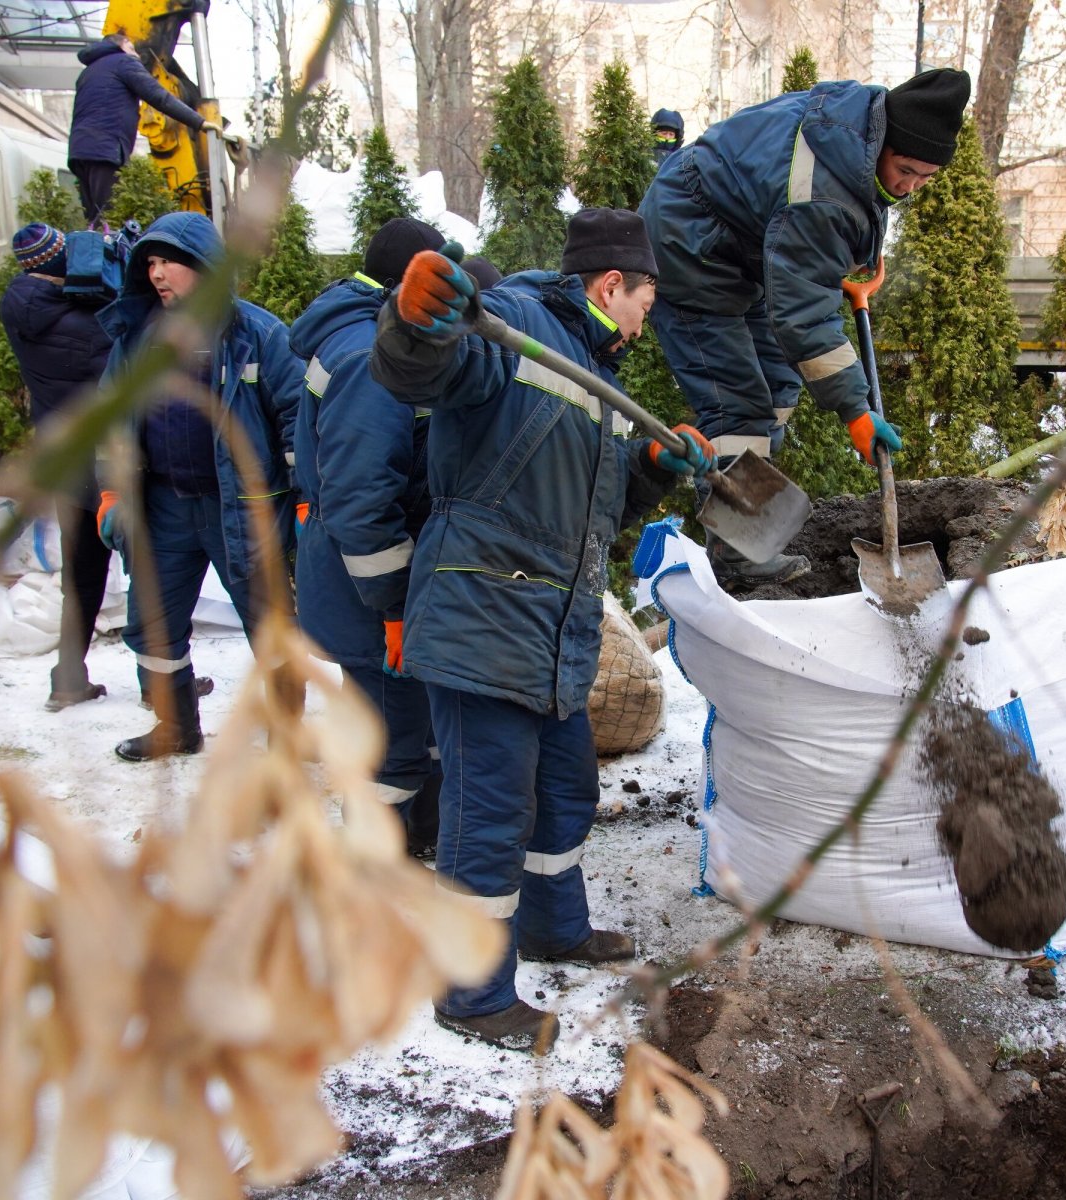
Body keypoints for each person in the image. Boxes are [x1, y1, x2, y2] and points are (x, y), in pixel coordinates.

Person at [371, 208, 714, 1050]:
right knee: (487, 814)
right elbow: (421, 369)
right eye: (647, 300)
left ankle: (552, 927)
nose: (648, 318)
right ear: (611, 286)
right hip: (485, 616)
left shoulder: (594, 379)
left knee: (564, 794)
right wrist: (413, 319)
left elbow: (588, 512)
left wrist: (649, 469)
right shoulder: (516, 326)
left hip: (551, 630)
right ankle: (472, 990)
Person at [639, 67, 970, 584]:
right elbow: (802, 313)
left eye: (925, 179)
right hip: (687, 247)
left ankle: (745, 513)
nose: (908, 188)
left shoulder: (858, 122)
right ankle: (739, 557)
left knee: (778, 383)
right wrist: (856, 411)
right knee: (737, 404)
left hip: (741, 246)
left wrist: (848, 254)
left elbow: (821, 226)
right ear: (883, 141)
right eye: (905, 170)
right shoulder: (825, 191)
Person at [96, 211, 302, 761]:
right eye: (152, 264)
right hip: (163, 508)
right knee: (155, 624)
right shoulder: (138, 339)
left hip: (242, 510)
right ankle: (175, 727)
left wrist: (304, 498)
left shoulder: (257, 334)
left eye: (170, 262)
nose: (158, 274)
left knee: (272, 630)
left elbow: (295, 419)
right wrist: (113, 491)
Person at [289, 217, 450, 858]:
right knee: (391, 737)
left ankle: (421, 839)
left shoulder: (362, 337)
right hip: (370, 588)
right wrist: (389, 608)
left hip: (369, 576)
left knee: (408, 723)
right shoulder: (369, 357)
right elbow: (361, 495)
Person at [0, 223, 117, 711]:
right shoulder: (84, 326)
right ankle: (161, 684)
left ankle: (67, 678)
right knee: (153, 565)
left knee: (82, 575)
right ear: (58, 263)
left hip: (64, 462)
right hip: (107, 463)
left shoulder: (23, 310)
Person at [69, 33, 218, 225]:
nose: (137, 56)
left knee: (94, 219)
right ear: (121, 47)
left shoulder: (88, 72)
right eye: (132, 49)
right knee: (111, 219)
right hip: (105, 151)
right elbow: (158, 96)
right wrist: (199, 122)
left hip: (78, 152)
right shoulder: (123, 62)